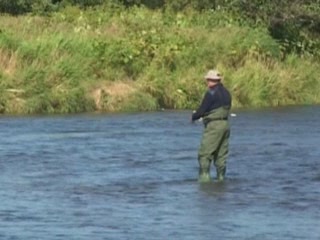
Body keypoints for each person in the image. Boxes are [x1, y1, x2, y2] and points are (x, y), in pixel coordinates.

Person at [191, 69, 232, 183]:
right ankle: (221, 179)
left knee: (204, 154)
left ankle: (205, 180)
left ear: (210, 80)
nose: (207, 82)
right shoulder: (227, 93)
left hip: (214, 126)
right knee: (221, 155)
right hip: (225, 125)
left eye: (207, 80)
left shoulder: (211, 93)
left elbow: (202, 110)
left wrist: (193, 116)